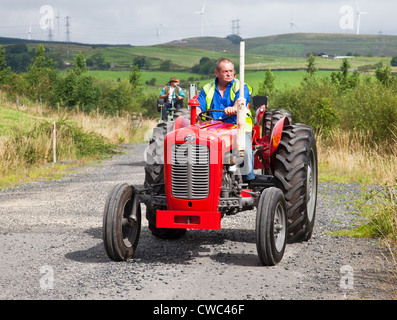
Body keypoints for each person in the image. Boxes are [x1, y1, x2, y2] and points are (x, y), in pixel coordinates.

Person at [196, 58, 255, 183]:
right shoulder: (208, 88)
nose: (229, 74)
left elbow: (241, 99)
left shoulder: (240, 86)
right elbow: (199, 106)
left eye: (231, 71)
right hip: (213, 129)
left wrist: (234, 108)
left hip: (238, 127)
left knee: (246, 152)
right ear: (217, 73)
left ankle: (248, 182)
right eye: (225, 71)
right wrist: (196, 111)